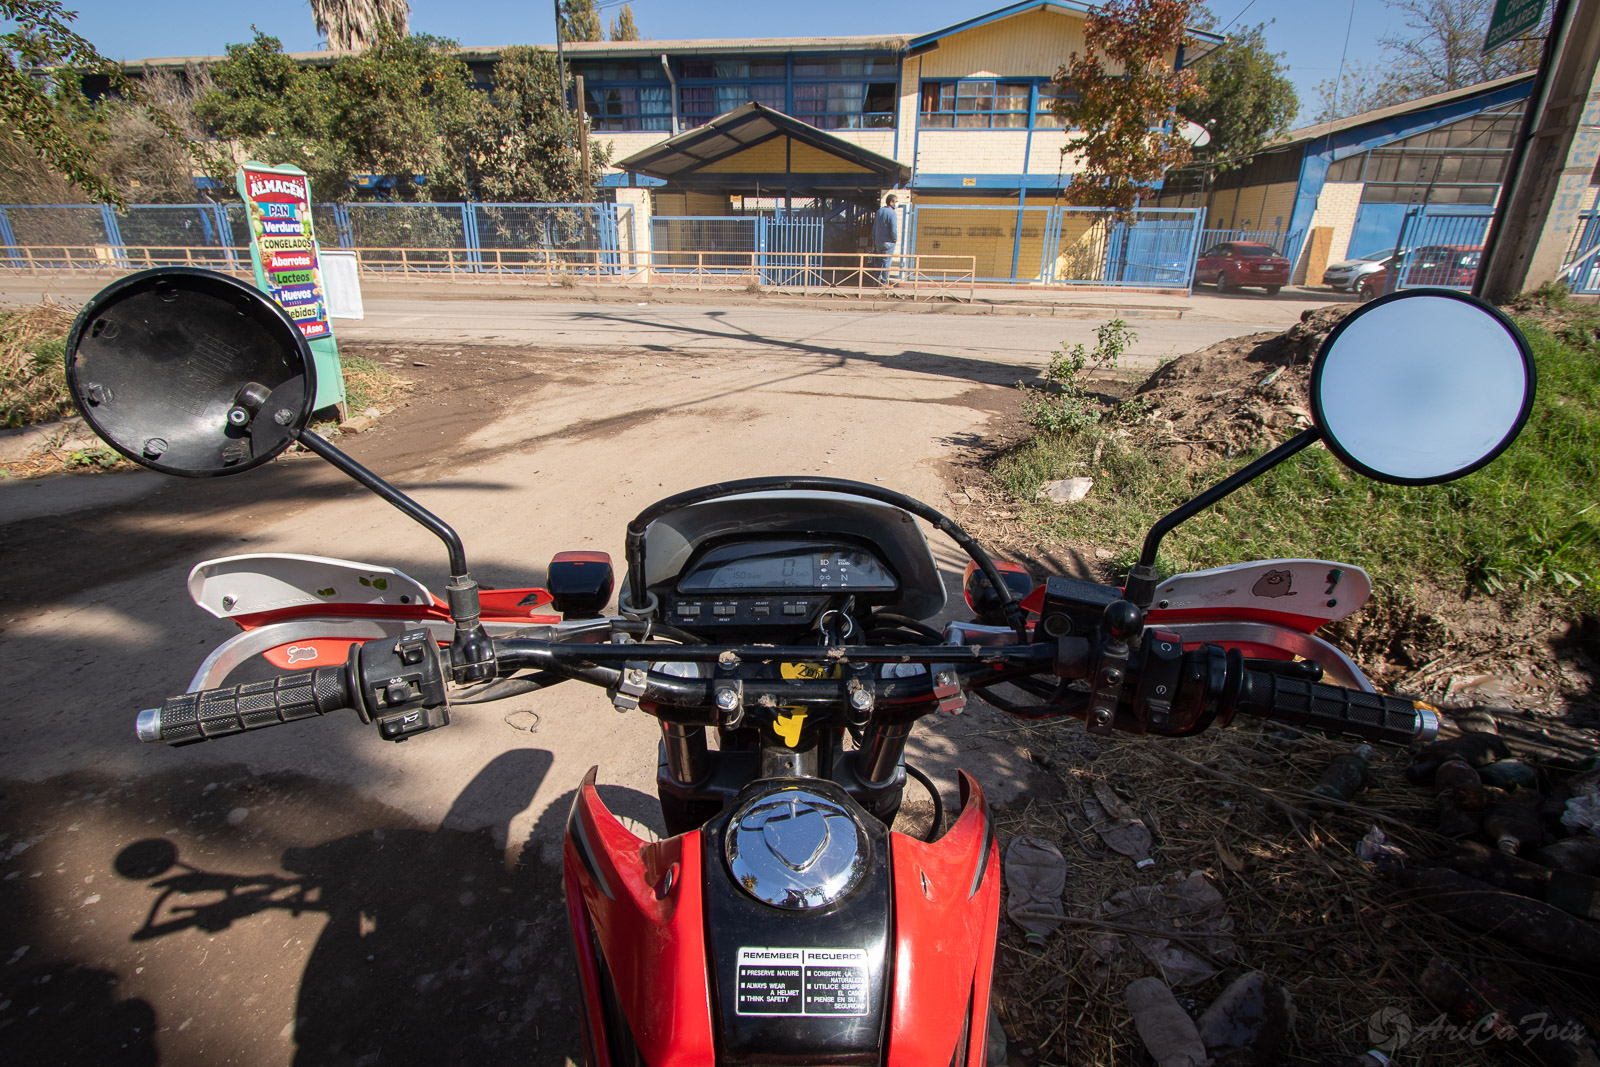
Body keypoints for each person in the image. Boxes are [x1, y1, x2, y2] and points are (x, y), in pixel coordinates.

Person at [872, 193, 899, 286]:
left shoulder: (879, 211)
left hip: (878, 241)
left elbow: (874, 227)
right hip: (888, 242)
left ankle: (875, 281)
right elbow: (893, 229)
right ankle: (884, 282)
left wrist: (874, 239)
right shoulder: (892, 213)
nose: (897, 203)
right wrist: (894, 239)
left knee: (879, 261)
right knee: (887, 262)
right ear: (891, 202)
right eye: (896, 201)